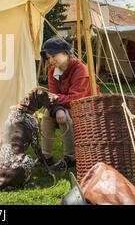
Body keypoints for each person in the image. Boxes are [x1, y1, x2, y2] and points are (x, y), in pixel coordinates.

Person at [40, 38, 97, 170]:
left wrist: (56, 102)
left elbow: (76, 98)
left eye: (53, 56)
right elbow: (51, 97)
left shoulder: (80, 69)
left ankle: (71, 157)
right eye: (49, 57)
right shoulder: (52, 72)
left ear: (65, 53)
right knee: (47, 115)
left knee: (63, 116)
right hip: (66, 107)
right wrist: (57, 108)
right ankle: (46, 157)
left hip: (85, 108)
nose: (51, 60)